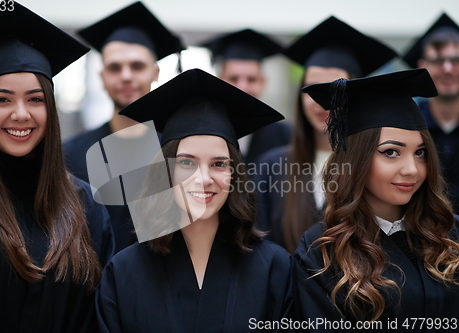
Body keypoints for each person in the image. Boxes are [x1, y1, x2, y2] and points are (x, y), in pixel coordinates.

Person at [96, 69, 294, 332]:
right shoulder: (123, 273)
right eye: (187, 162)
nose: (204, 178)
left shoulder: (274, 269)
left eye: (219, 164)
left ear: (234, 174)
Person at [0, 2, 114, 332]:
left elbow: (97, 311)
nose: (20, 113)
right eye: (2, 99)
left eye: (35, 99)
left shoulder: (85, 205)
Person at [294, 68, 459, 331]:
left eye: (420, 152)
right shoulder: (322, 252)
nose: (412, 169)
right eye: (391, 152)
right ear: (357, 159)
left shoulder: (450, 233)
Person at [254, 16, 397, 253]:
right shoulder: (271, 166)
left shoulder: (375, 166)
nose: (322, 102)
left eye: (334, 89)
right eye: (313, 89)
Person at [64, 1, 185, 252]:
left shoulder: (176, 151)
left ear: (155, 72)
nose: (126, 76)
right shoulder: (71, 155)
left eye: (137, 66)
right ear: (102, 77)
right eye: (115, 67)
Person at [201, 29, 291, 165]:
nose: (242, 87)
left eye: (251, 79)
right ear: (219, 81)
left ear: (263, 83)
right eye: (233, 78)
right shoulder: (201, 132)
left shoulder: (286, 137)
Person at [403, 13, 459, 214]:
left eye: (456, 60)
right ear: (422, 67)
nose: (447, 69)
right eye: (438, 60)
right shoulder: (405, 126)